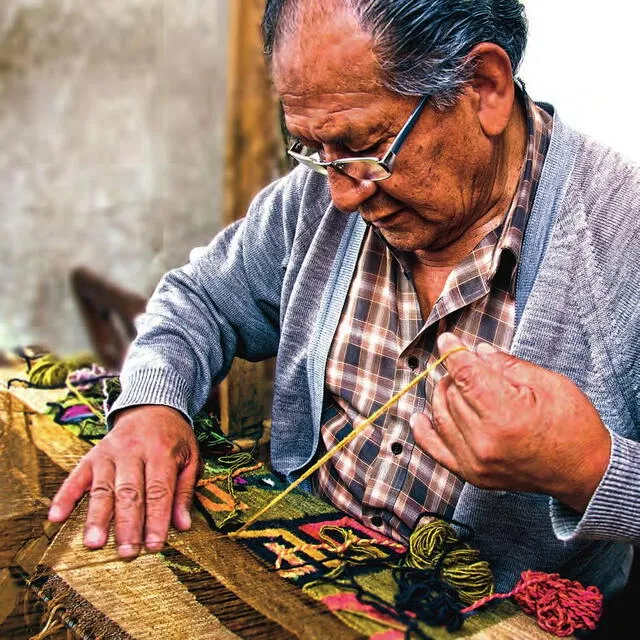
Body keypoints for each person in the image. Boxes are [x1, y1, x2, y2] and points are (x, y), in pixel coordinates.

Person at [49, 0, 640, 599]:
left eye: (365, 147)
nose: (340, 196)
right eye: (309, 147)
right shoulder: (318, 195)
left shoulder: (622, 241)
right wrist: (153, 408)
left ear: (483, 87)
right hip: (300, 582)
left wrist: (587, 466)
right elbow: (199, 300)